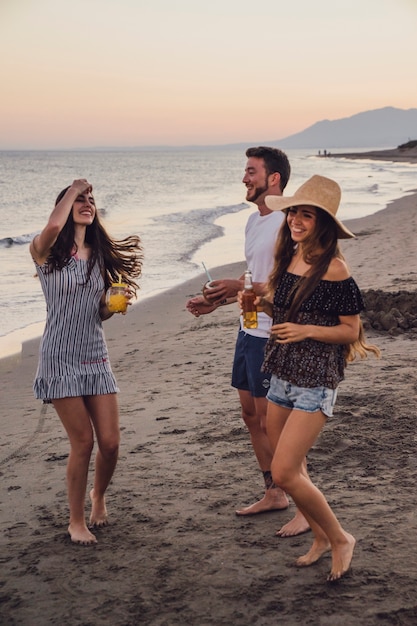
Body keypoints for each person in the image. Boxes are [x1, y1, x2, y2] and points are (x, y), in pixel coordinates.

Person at [257, 174, 380, 581]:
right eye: (293, 211)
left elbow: (351, 330)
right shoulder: (290, 255)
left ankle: (341, 538)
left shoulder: (335, 269)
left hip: (316, 379)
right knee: (292, 470)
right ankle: (321, 539)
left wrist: (306, 331)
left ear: (322, 223)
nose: (295, 220)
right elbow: (290, 312)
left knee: (285, 473)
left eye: (306, 215)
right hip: (282, 372)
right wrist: (260, 301)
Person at [186, 147, 309, 536]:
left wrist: (237, 285)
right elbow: (254, 278)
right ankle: (274, 492)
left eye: (251, 171)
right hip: (248, 328)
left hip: (275, 336)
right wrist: (218, 301)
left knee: (278, 424)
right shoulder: (253, 223)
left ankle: (306, 507)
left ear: (274, 178)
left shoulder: (289, 224)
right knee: (251, 416)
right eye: (245, 171)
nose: (244, 178)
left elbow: (292, 283)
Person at [30, 179, 143, 545]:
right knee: (83, 441)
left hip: (95, 354)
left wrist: (112, 305)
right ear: (63, 205)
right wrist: (74, 186)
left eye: (91, 199)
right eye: (79, 199)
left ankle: (99, 496)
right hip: (59, 359)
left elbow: (97, 313)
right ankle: (75, 521)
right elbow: (51, 227)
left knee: (109, 443)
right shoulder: (45, 252)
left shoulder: (98, 254)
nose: (87, 203)